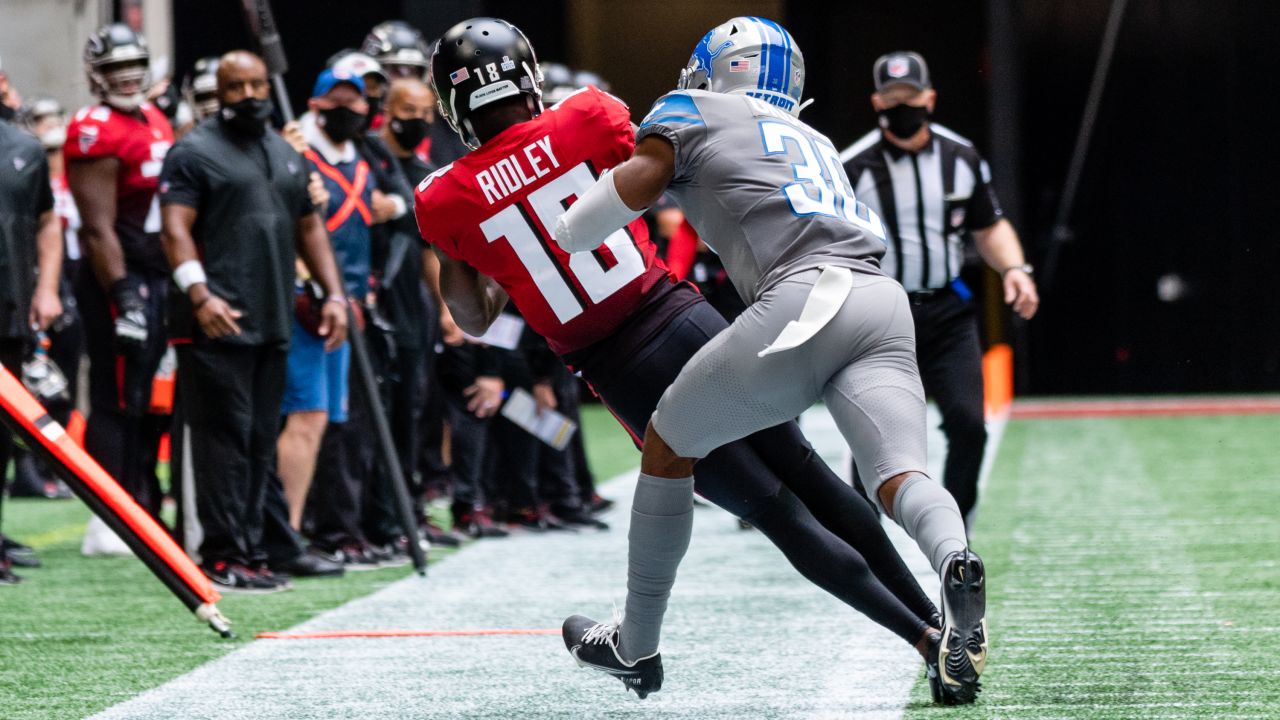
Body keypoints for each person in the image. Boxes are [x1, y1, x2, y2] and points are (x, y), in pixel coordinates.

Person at [416, 16, 945, 700]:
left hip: (620, 366)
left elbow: (473, 316)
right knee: (808, 474)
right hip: (686, 318)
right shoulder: (588, 116)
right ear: (526, 77)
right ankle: (939, 619)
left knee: (776, 512)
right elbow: (649, 175)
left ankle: (927, 641)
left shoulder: (443, 197)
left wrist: (463, 246)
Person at [554, 18, 988, 704]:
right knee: (899, 474)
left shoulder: (691, 109)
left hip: (803, 301)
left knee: (668, 444)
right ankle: (953, 561)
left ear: (720, 68)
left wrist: (565, 222)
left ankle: (635, 641)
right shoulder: (813, 139)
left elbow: (608, 209)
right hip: (880, 298)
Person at [159, 51, 350, 592]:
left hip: (274, 317)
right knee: (224, 440)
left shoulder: (284, 153)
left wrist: (333, 294)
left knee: (259, 439)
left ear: (269, 86)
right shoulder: (192, 151)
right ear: (219, 92)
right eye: (235, 86)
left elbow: (309, 229)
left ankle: (253, 547)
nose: (248, 94)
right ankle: (221, 554)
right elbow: (173, 230)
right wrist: (199, 294)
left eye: (256, 84)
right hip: (216, 320)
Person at [841, 51, 1038, 527]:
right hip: (882, 317)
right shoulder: (851, 166)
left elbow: (988, 226)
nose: (901, 106)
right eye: (892, 99)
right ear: (876, 102)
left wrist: (1014, 268)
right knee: (874, 435)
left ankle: (954, 526)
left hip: (947, 311)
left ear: (930, 98)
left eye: (910, 97)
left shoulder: (961, 157)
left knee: (970, 424)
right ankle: (864, 535)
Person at [64, 24, 175, 555]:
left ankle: (140, 502)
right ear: (94, 75)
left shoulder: (153, 117)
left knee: (150, 400)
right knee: (115, 399)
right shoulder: (92, 127)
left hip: (158, 275)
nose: (126, 76)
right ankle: (107, 517)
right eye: (114, 68)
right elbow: (96, 226)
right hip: (118, 278)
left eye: (133, 64)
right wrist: (124, 293)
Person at [0, 92, 64, 584]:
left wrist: (46, 288)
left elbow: (48, 222)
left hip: (10, 311)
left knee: (2, 438)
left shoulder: (24, 147)